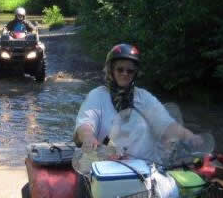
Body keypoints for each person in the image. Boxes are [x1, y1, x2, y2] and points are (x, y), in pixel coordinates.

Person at [74, 43, 202, 162]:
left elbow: (166, 124)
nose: (125, 74)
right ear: (111, 70)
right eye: (120, 69)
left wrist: (189, 136)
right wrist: (88, 137)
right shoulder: (97, 95)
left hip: (143, 168)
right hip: (105, 166)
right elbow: (85, 124)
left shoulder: (144, 97)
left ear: (135, 74)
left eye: (130, 71)